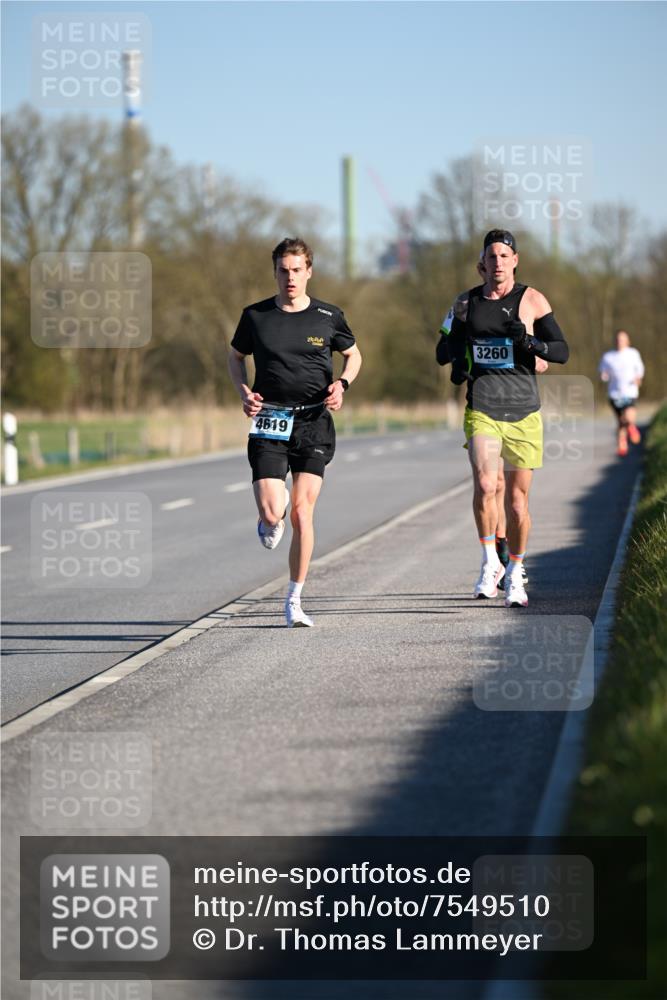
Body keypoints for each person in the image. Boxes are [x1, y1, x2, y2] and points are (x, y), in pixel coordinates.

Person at [227, 237, 362, 628]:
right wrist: (243, 392)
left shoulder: (328, 316)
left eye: (297, 270)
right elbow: (235, 357)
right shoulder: (255, 316)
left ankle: (294, 598)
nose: (290, 277)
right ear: (275, 272)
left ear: (309, 272)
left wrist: (343, 385)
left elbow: (353, 354)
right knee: (273, 513)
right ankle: (271, 516)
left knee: (303, 512)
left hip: (314, 421)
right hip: (270, 419)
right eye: (283, 271)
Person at [436, 229, 569, 608]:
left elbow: (562, 350)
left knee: (516, 503)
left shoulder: (532, 300)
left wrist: (530, 343)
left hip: (524, 411)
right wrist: (460, 356)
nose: (498, 263)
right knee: (485, 482)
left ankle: (515, 570)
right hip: (483, 408)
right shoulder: (465, 303)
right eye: (491, 257)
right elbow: (442, 350)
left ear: (515, 261)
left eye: (504, 256)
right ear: (482, 264)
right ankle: (489, 561)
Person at [599, 330, 644, 456]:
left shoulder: (633, 354)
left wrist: (638, 378)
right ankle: (622, 444)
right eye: (618, 339)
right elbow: (603, 372)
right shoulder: (608, 356)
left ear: (628, 341)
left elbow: (639, 369)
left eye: (623, 340)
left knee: (628, 417)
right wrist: (605, 375)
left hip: (630, 391)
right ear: (615, 341)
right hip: (614, 394)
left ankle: (630, 427)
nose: (620, 342)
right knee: (620, 421)